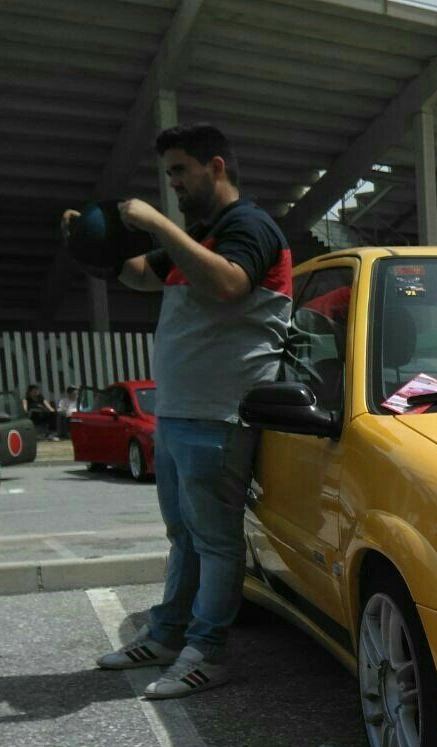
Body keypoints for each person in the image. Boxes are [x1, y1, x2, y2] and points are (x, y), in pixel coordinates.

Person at [63, 123, 291, 699]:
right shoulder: (203, 235)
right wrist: (92, 246)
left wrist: (155, 223)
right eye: (168, 175)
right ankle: (166, 636)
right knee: (184, 535)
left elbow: (232, 284)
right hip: (181, 412)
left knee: (214, 540)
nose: (173, 185)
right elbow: (141, 274)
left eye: (180, 172)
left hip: (221, 413)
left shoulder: (249, 227)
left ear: (216, 167)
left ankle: (207, 652)